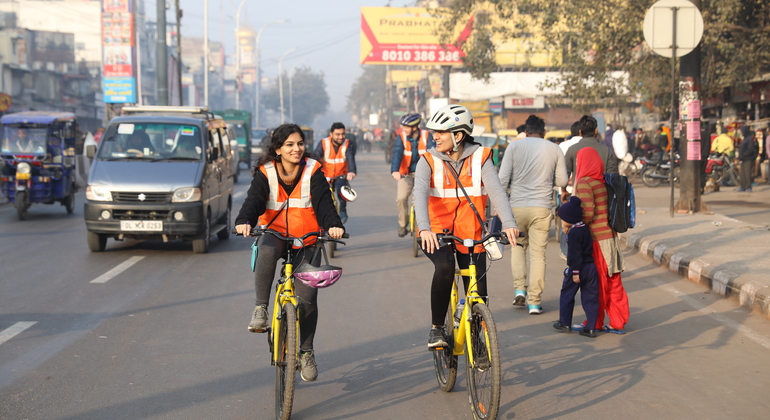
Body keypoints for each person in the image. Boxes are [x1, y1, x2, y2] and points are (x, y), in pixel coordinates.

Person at [234, 123, 345, 382]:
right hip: (274, 234)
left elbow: (324, 203)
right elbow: (253, 200)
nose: (297, 149)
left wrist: (333, 225)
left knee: (307, 298)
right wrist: (244, 220)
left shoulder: (312, 171)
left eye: (300, 144)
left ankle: (306, 352)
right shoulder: (267, 172)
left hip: (307, 238)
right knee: (268, 252)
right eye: (290, 145)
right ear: (278, 149)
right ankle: (261, 308)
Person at [414, 104, 519, 349]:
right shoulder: (427, 161)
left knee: (478, 289)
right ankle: (437, 328)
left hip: (471, 233)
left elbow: (496, 192)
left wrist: (509, 223)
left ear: (458, 136)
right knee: (445, 266)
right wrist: (424, 227)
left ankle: (477, 341)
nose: (434, 136)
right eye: (434, 132)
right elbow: (418, 194)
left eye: (440, 132)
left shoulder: (481, 158)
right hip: (436, 232)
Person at [498, 114, 568, 314]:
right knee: (538, 255)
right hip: (542, 207)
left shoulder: (514, 147)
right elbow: (562, 181)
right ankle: (535, 302)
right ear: (544, 132)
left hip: (517, 206)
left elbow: (502, 180)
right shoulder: (554, 148)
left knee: (518, 247)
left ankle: (520, 290)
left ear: (525, 132)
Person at [574, 147, 629, 334]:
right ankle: (618, 321)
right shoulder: (604, 181)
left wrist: (573, 223)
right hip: (611, 238)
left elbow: (587, 214)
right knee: (613, 281)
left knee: (595, 283)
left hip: (597, 240)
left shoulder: (584, 183)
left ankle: (594, 322)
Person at [552, 196, 598, 338]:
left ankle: (565, 322)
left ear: (568, 219)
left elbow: (576, 254)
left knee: (567, 294)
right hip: (591, 268)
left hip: (578, 268)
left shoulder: (573, 233)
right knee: (590, 298)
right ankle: (591, 327)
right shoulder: (584, 228)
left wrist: (575, 272)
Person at [391, 113, 435, 237]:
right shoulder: (401, 138)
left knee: (428, 200)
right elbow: (397, 154)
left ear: (414, 127)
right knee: (401, 198)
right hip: (406, 174)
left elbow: (433, 153)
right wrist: (395, 171)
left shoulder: (427, 136)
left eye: (406, 127)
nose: (404, 129)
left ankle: (427, 225)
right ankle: (402, 224)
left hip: (424, 175)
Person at [316, 122, 357, 223]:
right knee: (322, 196)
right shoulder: (323, 143)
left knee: (341, 192)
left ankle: (342, 210)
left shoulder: (348, 143)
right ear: (331, 134)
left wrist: (351, 171)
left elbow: (351, 158)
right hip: (325, 175)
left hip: (341, 175)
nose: (341, 137)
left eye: (343, 134)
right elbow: (316, 156)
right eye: (337, 134)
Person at [564, 115, 618, 184]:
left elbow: (565, 175)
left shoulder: (572, 150)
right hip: (602, 192)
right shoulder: (606, 150)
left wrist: (564, 190)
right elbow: (611, 177)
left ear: (580, 132)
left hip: (580, 192)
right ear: (596, 131)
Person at [737, 125, 758, 192]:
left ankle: (748, 187)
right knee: (742, 174)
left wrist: (744, 155)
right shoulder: (745, 139)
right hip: (743, 159)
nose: (741, 133)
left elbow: (750, 149)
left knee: (747, 173)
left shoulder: (749, 139)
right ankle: (742, 186)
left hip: (748, 159)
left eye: (742, 131)